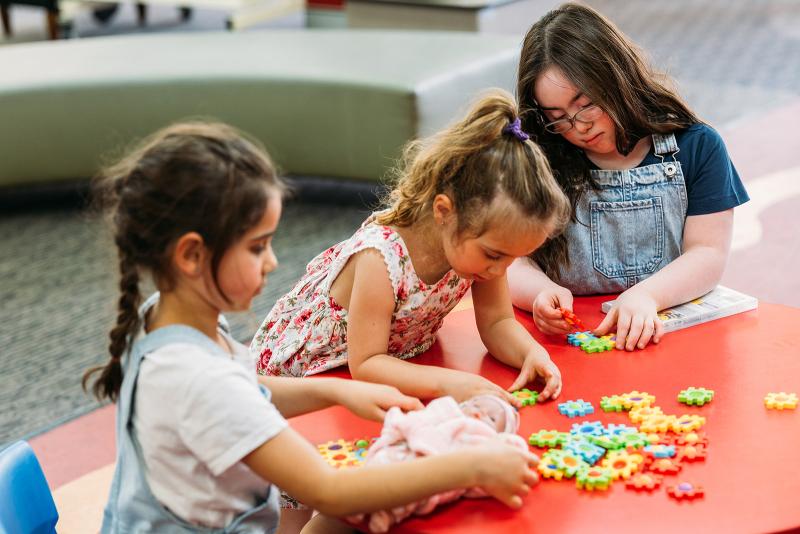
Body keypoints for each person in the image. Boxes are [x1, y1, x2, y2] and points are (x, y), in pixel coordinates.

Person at [82, 122, 540, 534]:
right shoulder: (201, 381)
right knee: (358, 509)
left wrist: (336, 393)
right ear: (190, 255)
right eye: (257, 247)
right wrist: (472, 466)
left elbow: (246, 388)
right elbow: (330, 491)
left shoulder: (164, 316)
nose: (273, 262)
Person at [251, 89, 571, 405]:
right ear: (444, 212)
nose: (500, 270)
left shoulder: (480, 249)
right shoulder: (380, 258)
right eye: (495, 255)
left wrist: (532, 353)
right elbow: (366, 363)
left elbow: (497, 322)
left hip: (385, 365)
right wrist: (450, 383)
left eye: (512, 258)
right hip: (307, 377)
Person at [508, 3, 749, 351]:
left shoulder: (697, 146)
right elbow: (511, 261)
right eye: (557, 117)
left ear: (616, 78)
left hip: (666, 332)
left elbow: (708, 253)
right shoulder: (537, 156)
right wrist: (539, 293)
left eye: (586, 103)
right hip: (567, 341)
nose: (579, 126)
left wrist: (648, 296)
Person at [351, 395, 528, 533]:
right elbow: (419, 419)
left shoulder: (483, 441)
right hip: (409, 449)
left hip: (436, 476)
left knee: (412, 492)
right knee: (384, 464)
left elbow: (479, 482)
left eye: (491, 418)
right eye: (476, 405)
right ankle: (359, 497)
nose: (478, 413)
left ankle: (387, 514)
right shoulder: (445, 418)